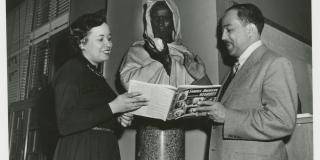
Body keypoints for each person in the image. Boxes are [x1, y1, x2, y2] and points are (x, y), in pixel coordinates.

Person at [189, 3, 298, 160]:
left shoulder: (275, 63)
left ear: (250, 30)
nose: (222, 37)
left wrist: (228, 117)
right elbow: (222, 109)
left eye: (229, 29)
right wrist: (201, 78)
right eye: (222, 31)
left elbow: (282, 121)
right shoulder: (237, 68)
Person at [52, 13, 148, 160]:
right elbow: (65, 123)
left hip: (103, 149)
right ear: (82, 43)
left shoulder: (96, 76)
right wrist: (114, 107)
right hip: (82, 150)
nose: (108, 44)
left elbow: (100, 122)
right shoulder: (72, 69)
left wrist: (119, 120)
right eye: (100, 39)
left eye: (109, 38)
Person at [119, 0, 209, 88]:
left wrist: (168, 61)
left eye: (165, 18)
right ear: (150, 22)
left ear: (174, 21)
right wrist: (160, 62)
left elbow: (198, 89)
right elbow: (127, 82)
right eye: (156, 18)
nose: (160, 23)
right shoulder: (137, 50)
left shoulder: (185, 54)